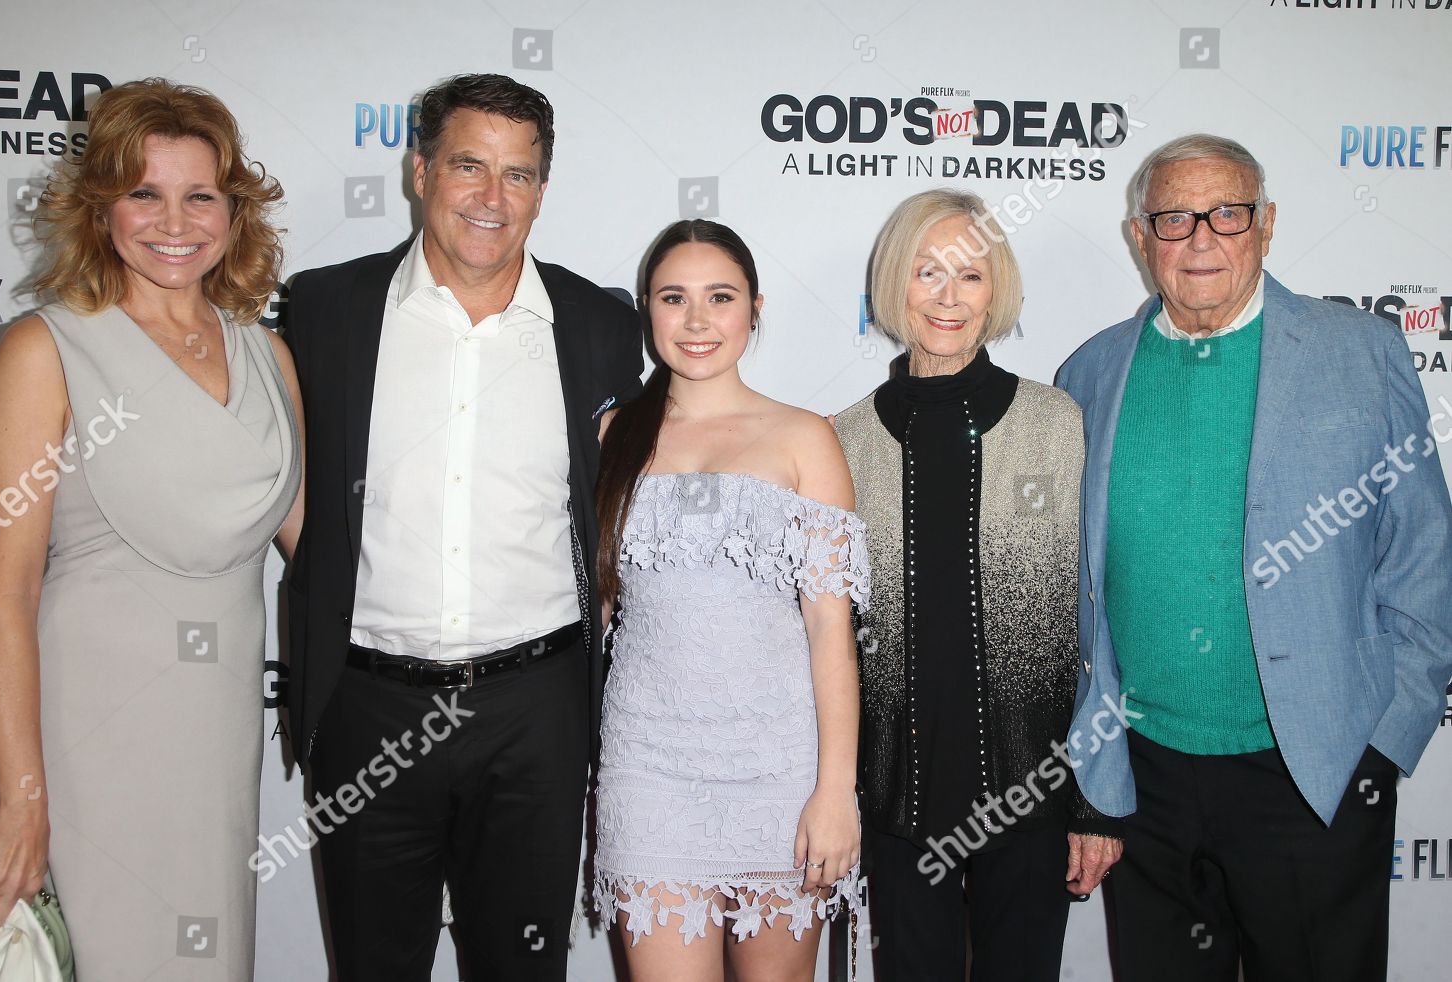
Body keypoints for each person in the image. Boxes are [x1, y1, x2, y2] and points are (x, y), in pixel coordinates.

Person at [1056, 133, 1452, 981]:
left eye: (1227, 214)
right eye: (1174, 218)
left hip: (1313, 769)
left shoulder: (1362, 352)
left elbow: (1424, 552)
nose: (1201, 238)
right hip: (1146, 775)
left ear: (1266, 224)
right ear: (1140, 236)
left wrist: (1382, 746)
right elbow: (1078, 593)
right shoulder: (1089, 372)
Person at [282, 73, 643, 980]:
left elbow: (623, 504)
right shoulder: (325, 308)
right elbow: (283, 486)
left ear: (542, 191)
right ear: (420, 172)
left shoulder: (599, 323)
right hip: (368, 706)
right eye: (468, 166)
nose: (492, 197)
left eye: (518, 175)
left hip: (535, 713)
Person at [0, 78, 302, 979]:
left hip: (219, 737)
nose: (174, 222)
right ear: (101, 205)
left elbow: (322, 552)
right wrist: (22, 799)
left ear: (234, 210)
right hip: (93, 742)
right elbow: (3, 601)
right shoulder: (45, 350)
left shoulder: (266, 353)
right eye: (144, 193)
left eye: (201, 196)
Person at [834, 189, 1122, 981]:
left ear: (997, 292)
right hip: (895, 799)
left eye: (970, 274)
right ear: (894, 282)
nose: (948, 297)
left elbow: (1099, 621)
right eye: (927, 271)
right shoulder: (843, 442)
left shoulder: (1059, 424)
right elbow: (828, 638)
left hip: (1034, 795)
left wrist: (1094, 800)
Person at [591, 219, 867, 982]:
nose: (697, 320)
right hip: (648, 768)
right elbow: (595, 610)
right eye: (673, 298)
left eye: (720, 297)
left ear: (754, 308)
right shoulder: (613, 435)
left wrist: (835, 789)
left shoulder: (805, 437)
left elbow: (830, 627)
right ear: (647, 310)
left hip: (783, 770)